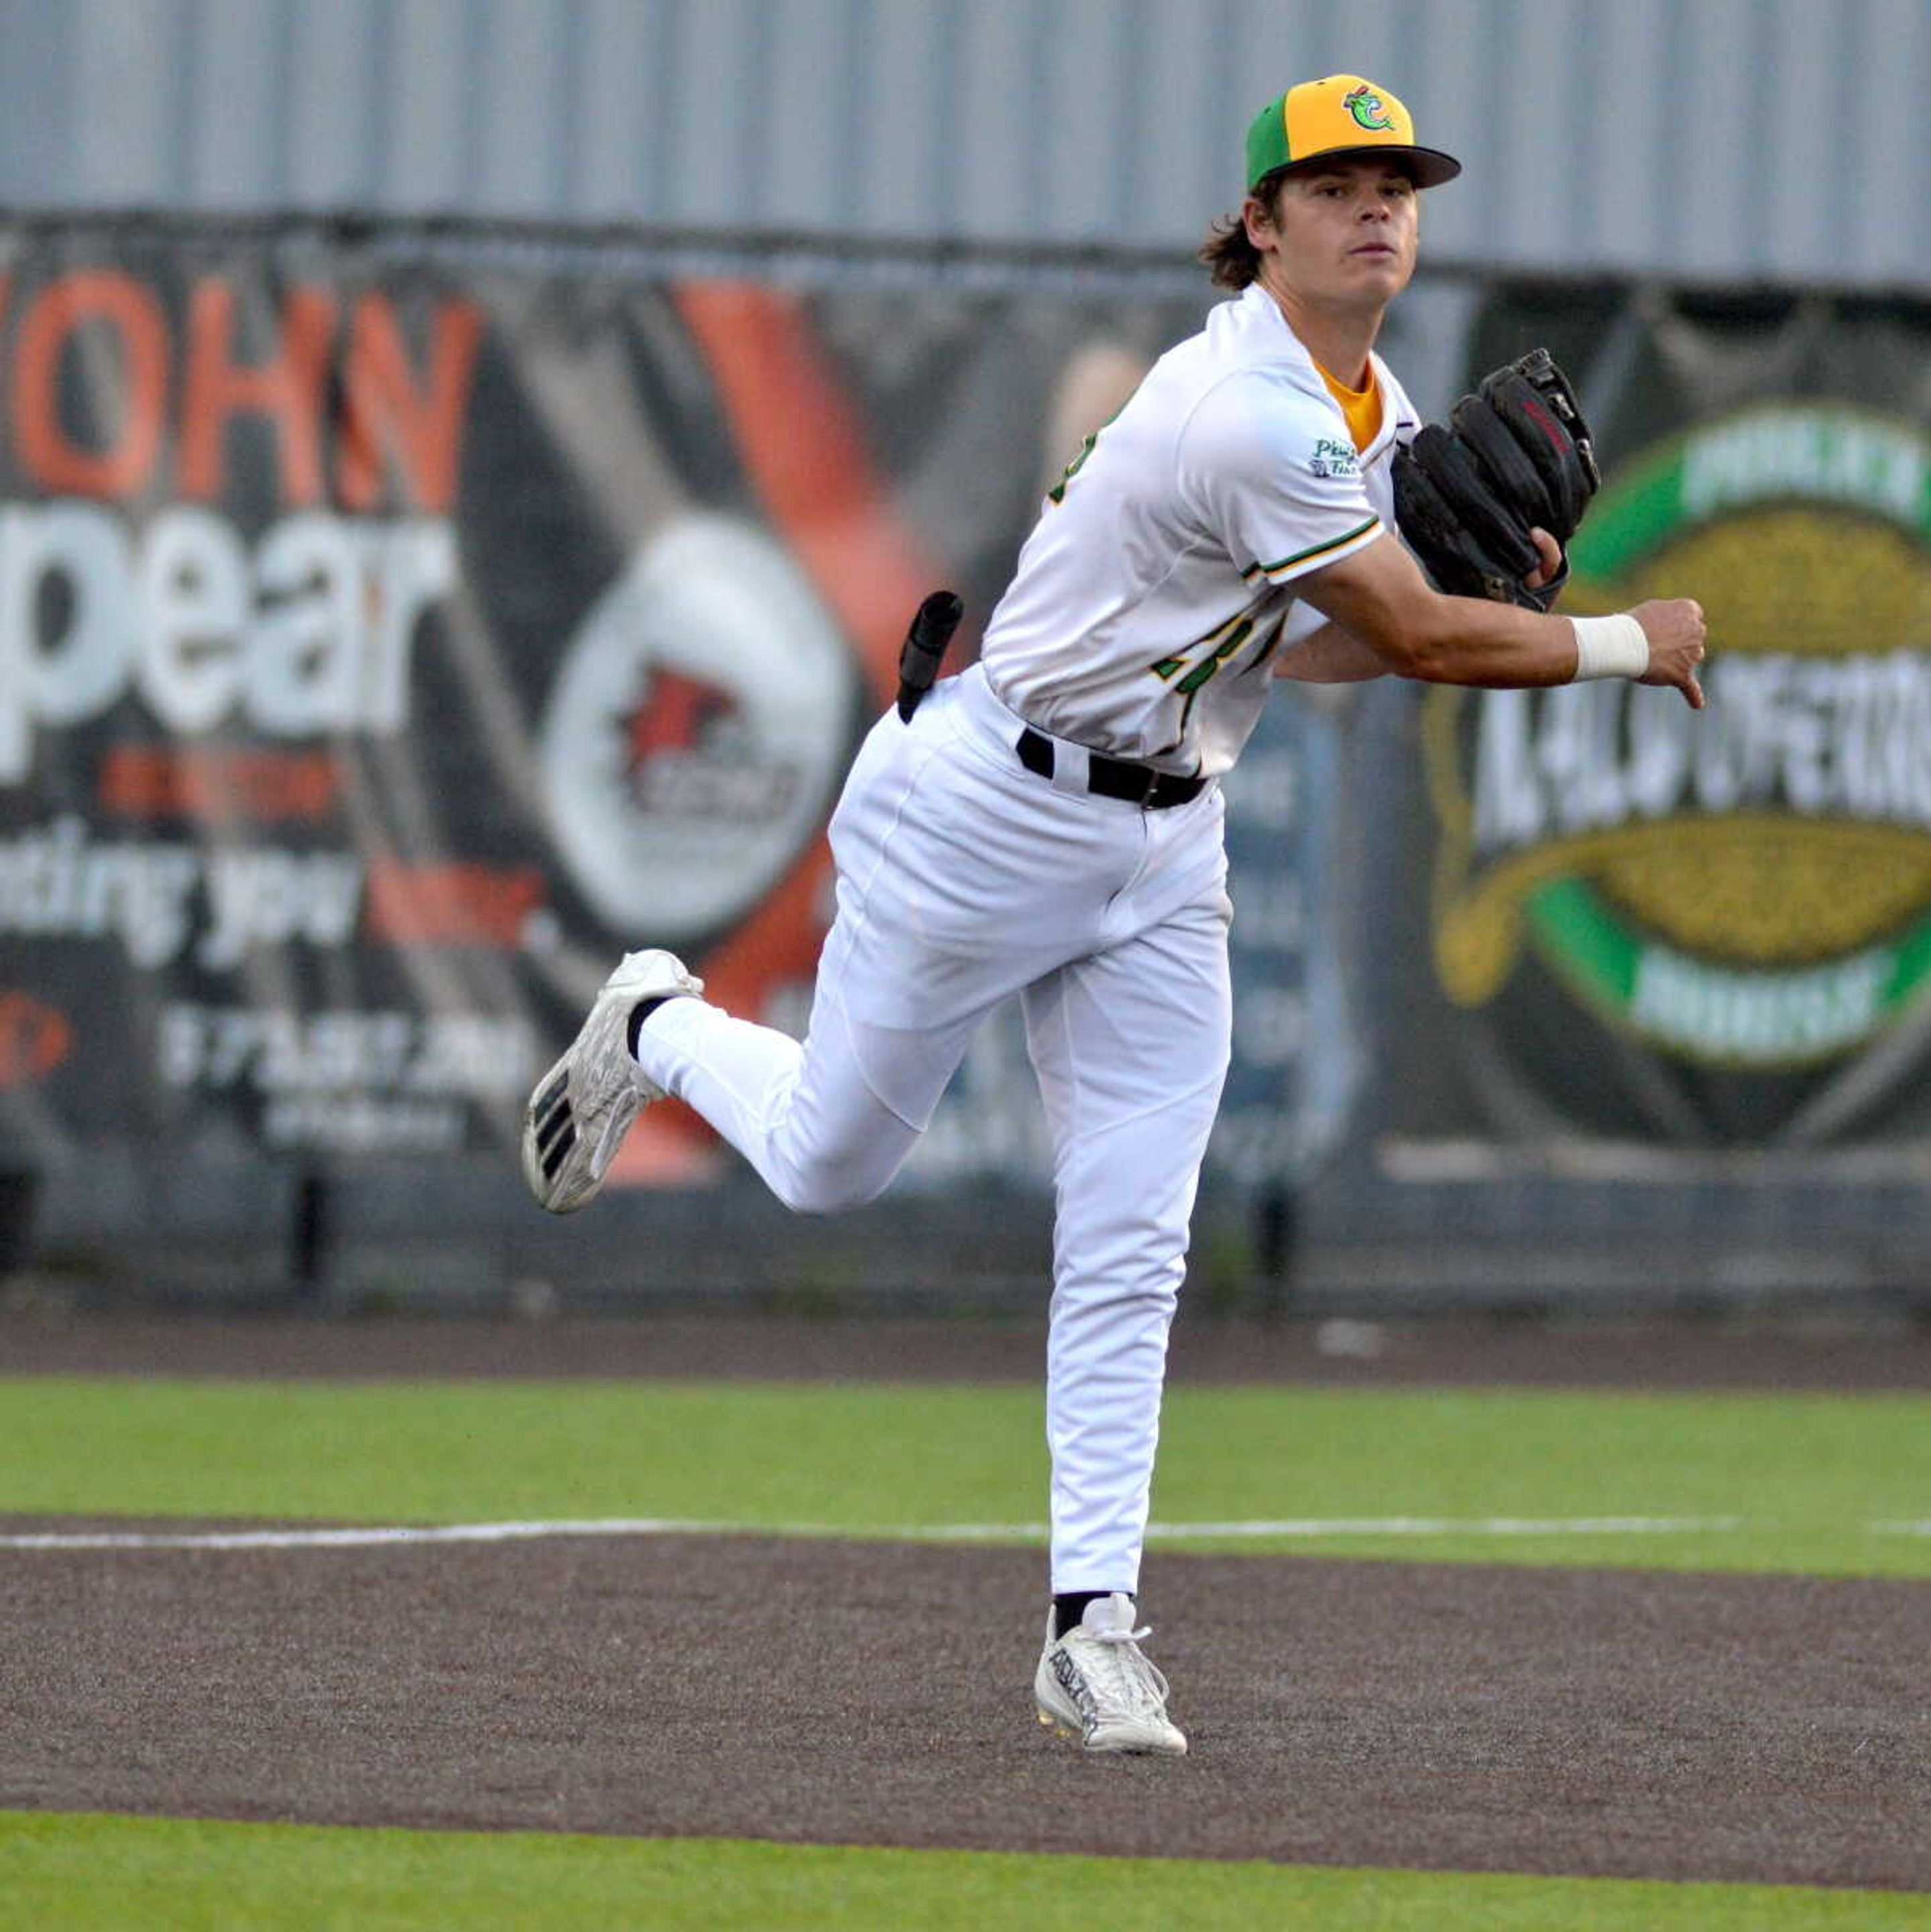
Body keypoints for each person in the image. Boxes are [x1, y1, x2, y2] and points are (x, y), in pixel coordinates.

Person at [519, 72, 1706, 1756]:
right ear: (1263, 225)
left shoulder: (1366, 414)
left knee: (1137, 1239)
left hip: (1163, 839)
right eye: (1339, 183)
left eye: (1402, 184)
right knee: (830, 1162)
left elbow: (1318, 648)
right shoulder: (1253, 412)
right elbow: (1426, 643)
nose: (1380, 207)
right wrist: (1612, 640)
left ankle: (1093, 1627)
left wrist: (1456, 601)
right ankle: (657, 1021)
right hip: (986, 808)